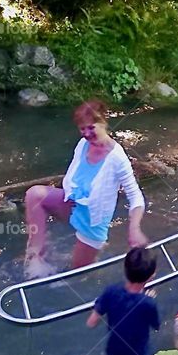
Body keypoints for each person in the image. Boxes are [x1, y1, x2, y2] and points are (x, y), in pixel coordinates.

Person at [24, 100, 148, 277]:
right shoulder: (83, 144)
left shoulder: (117, 158)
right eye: (82, 129)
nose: (87, 134)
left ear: (103, 122)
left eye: (91, 128)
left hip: (92, 221)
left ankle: (95, 254)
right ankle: (37, 256)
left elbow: (136, 197)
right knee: (34, 195)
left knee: (77, 274)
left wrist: (134, 229)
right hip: (72, 205)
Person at [87, 247, 160, 355]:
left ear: (125, 269)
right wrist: (147, 298)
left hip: (112, 354)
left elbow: (91, 322)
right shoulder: (148, 303)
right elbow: (156, 326)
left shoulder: (110, 291)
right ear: (151, 276)